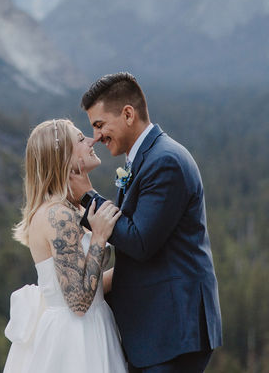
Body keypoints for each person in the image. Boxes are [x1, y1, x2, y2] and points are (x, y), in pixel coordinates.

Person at [73, 72, 222, 373]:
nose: (97, 136)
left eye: (100, 125)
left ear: (128, 114)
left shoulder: (165, 161)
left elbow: (140, 241)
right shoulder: (145, 158)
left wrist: (88, 198)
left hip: (172, 332)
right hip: (156, 330)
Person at [3, 118, 128, 373]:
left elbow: (88, 288)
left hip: (89, 326)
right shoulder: (58, 215)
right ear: (64, 158)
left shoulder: (68, 208)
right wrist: (98, 238)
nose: (92, 141)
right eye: (81, 139)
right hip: (76, 339)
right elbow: (80, 302)